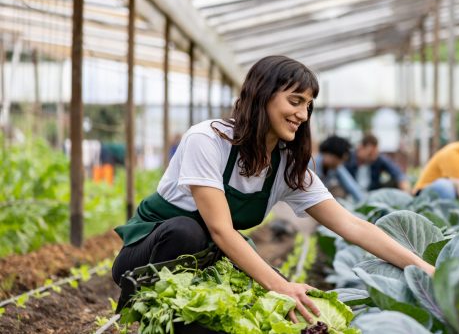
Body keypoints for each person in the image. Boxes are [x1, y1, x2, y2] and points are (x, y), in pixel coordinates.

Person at [112, 56, 434, 324]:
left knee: (258, 310)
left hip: (205, 266)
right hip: (146, 258)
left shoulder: (286, 166)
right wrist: (281, 285)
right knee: (187, 232)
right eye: (295, 101)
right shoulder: (207, 140)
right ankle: (146, 310)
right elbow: (221, 231)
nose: (302, 115)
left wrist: (426, 269)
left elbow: (352, 226)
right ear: (262, 95)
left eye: (308, 105)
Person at [344, 134, 410, 193]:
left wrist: (406, 189)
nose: (373, 157)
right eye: (370, 154)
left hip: (371, 195)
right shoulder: (347, 158)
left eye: (375, 154)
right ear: (361, 148)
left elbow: (398, 173)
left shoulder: (378, 159)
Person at [312, 135, 365, 201]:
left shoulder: (335, 167)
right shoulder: (310, 165)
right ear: (331, 155)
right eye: (341, 160)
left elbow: (351, 186)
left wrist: (364, 203)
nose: (341, 163)